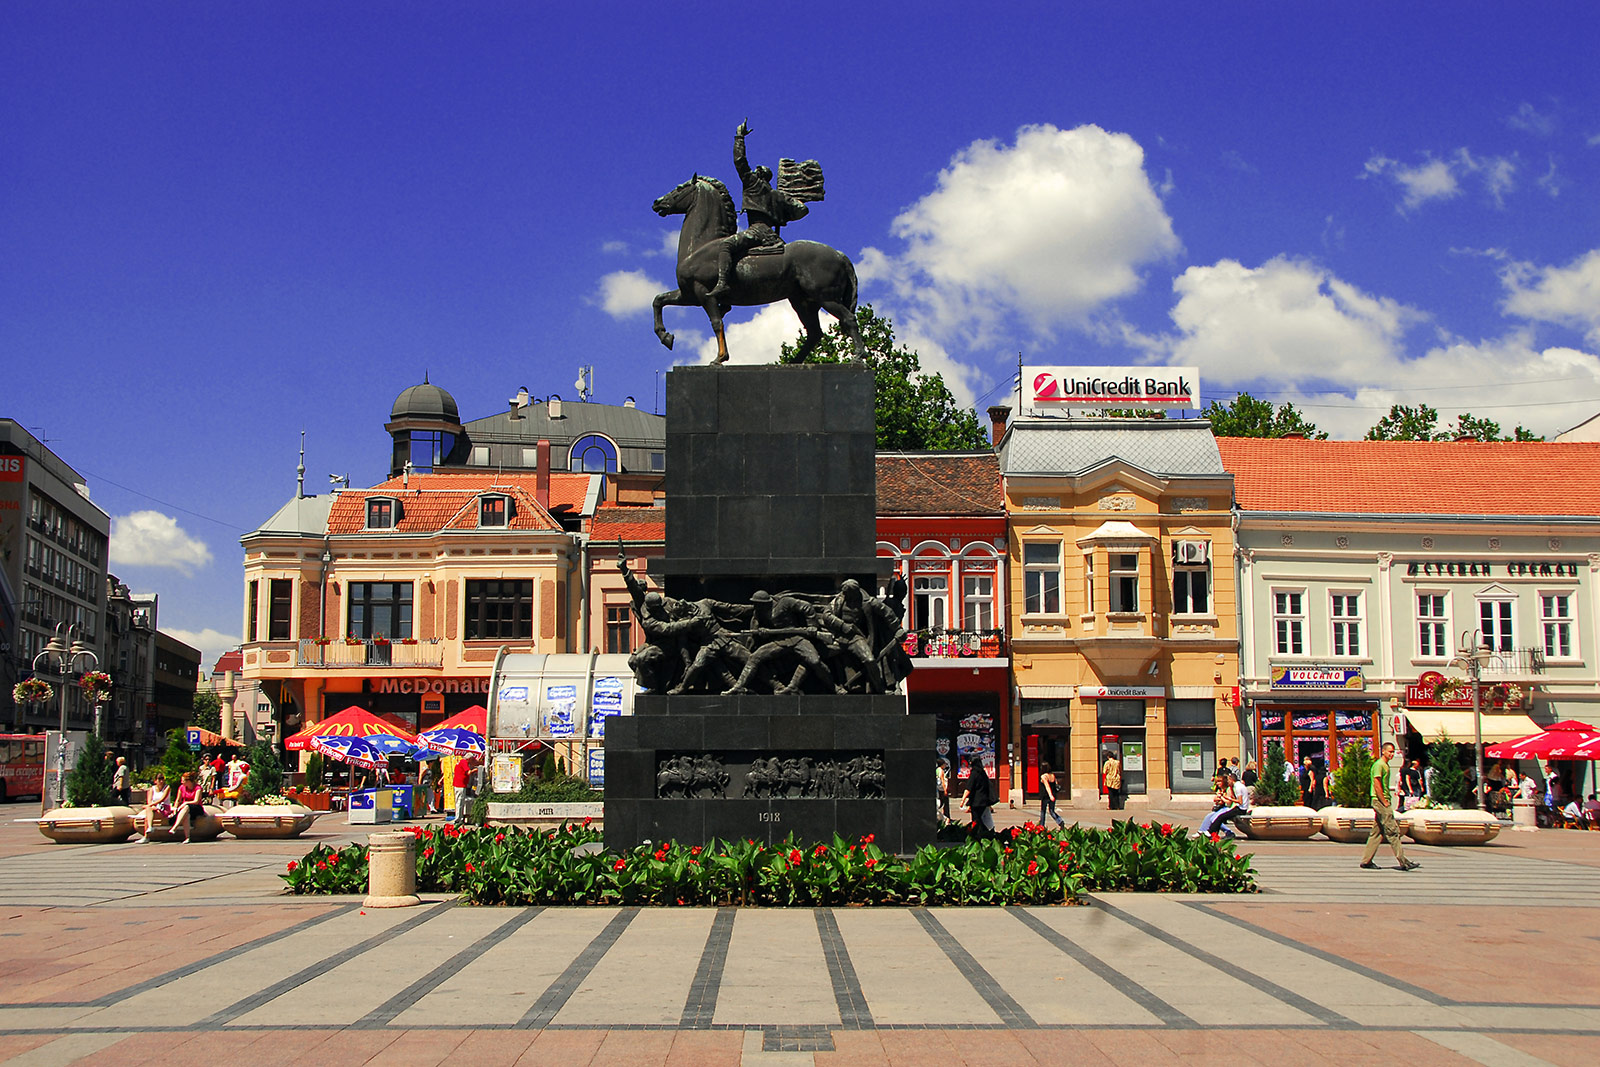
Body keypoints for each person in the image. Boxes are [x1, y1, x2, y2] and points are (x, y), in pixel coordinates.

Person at [710, 120, 811, 300]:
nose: (753, 173)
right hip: (771, 235)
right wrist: (782, 215)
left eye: (756, 171)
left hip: (756, 231)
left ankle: (723, 284)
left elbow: (739, 161)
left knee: (725, 245)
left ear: (759, 175)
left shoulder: (752, 185)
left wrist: (739, 138)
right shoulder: (777, 195)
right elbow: (802, 210)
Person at [1360, 742, 1418, 871]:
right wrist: (1384, 801)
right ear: (1383, 752)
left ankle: (1366, 861)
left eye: (1393, 752)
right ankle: (1403, 862)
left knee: (1377, 832)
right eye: (1389, 751)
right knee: (1393, 831)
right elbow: (1377, 784)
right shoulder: (1379, 765)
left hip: (1381, 800)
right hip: (1380, 801)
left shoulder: (1385, 765)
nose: (1391, 754)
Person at [960, 759, 995, 835]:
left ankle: (979, 834)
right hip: (984, 801)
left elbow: (969, 788)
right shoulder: (983, 773)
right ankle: (985, 833)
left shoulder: (974, 773)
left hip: (976, 802)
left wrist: (963, 800)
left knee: (976, 820)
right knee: (982, 818)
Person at [134, 772, 172, 841]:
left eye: (162, 779)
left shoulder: (167, 787)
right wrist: (151, 806)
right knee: (148, 814)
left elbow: (162, 799)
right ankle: (149, 830)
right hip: (154, 808)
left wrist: (150, 805)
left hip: (164, 809)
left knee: (147, 815)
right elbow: (149, 800)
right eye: (159, 779)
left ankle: (146, 836)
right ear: (155, 781)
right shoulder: (152, 789)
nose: (161, 781)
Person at [169, 772, 205, 844]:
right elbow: (178, 800)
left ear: (188, 781)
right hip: (185, 810)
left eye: (183, 780)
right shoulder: (181, 788)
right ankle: (187, 837)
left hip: (196, 808)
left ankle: (175, 826)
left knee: (186, 807)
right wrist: (175, 808)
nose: (181, 782)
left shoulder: (197, 788)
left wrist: (185, 803)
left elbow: (196, 801)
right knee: (186, 815)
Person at [1038, 760, 1066, 829]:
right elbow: (1056, 784)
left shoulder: (1044, 776)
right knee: (1051, 811)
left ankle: (1041, 825)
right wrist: (1052, 795)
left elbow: (1047, 786)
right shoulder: (1052, 775)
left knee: (1043, 811)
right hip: (1054, 794)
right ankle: (1060, 821)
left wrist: (1050, 795)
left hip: (1046, 796)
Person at [451, 757, 478, 823]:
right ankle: (458, 819)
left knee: (458, 801)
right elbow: (468, 772)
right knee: (460, 802)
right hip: (460, 785)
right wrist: (475, 770)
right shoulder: (464, 762)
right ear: (468, 759)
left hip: (457, 784)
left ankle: (459, 817)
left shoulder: (460, 762)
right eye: (472, 760)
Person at [934, 758, 951, 827]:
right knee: (945, 803)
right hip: (942, 789)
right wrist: (945, 789)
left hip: (938, 788)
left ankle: (943, 817)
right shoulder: (941, 771)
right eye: (944, 764)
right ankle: (946, 818)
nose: (945, 766)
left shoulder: (937, 770)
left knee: (940, 803)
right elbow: (943, 781)